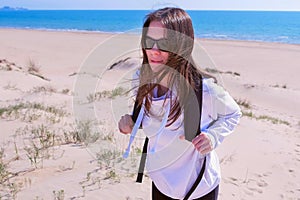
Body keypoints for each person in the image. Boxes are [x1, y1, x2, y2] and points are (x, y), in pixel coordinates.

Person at [118, 7, 242, 200]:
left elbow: (233, 114)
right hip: (161, 182)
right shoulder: (140, 80)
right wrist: (131, 123)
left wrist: (213, 136)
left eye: (165, 43)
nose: (154, 51)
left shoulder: (203, 90)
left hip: (198, 187)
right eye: (149, 42)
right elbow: (151, 119)